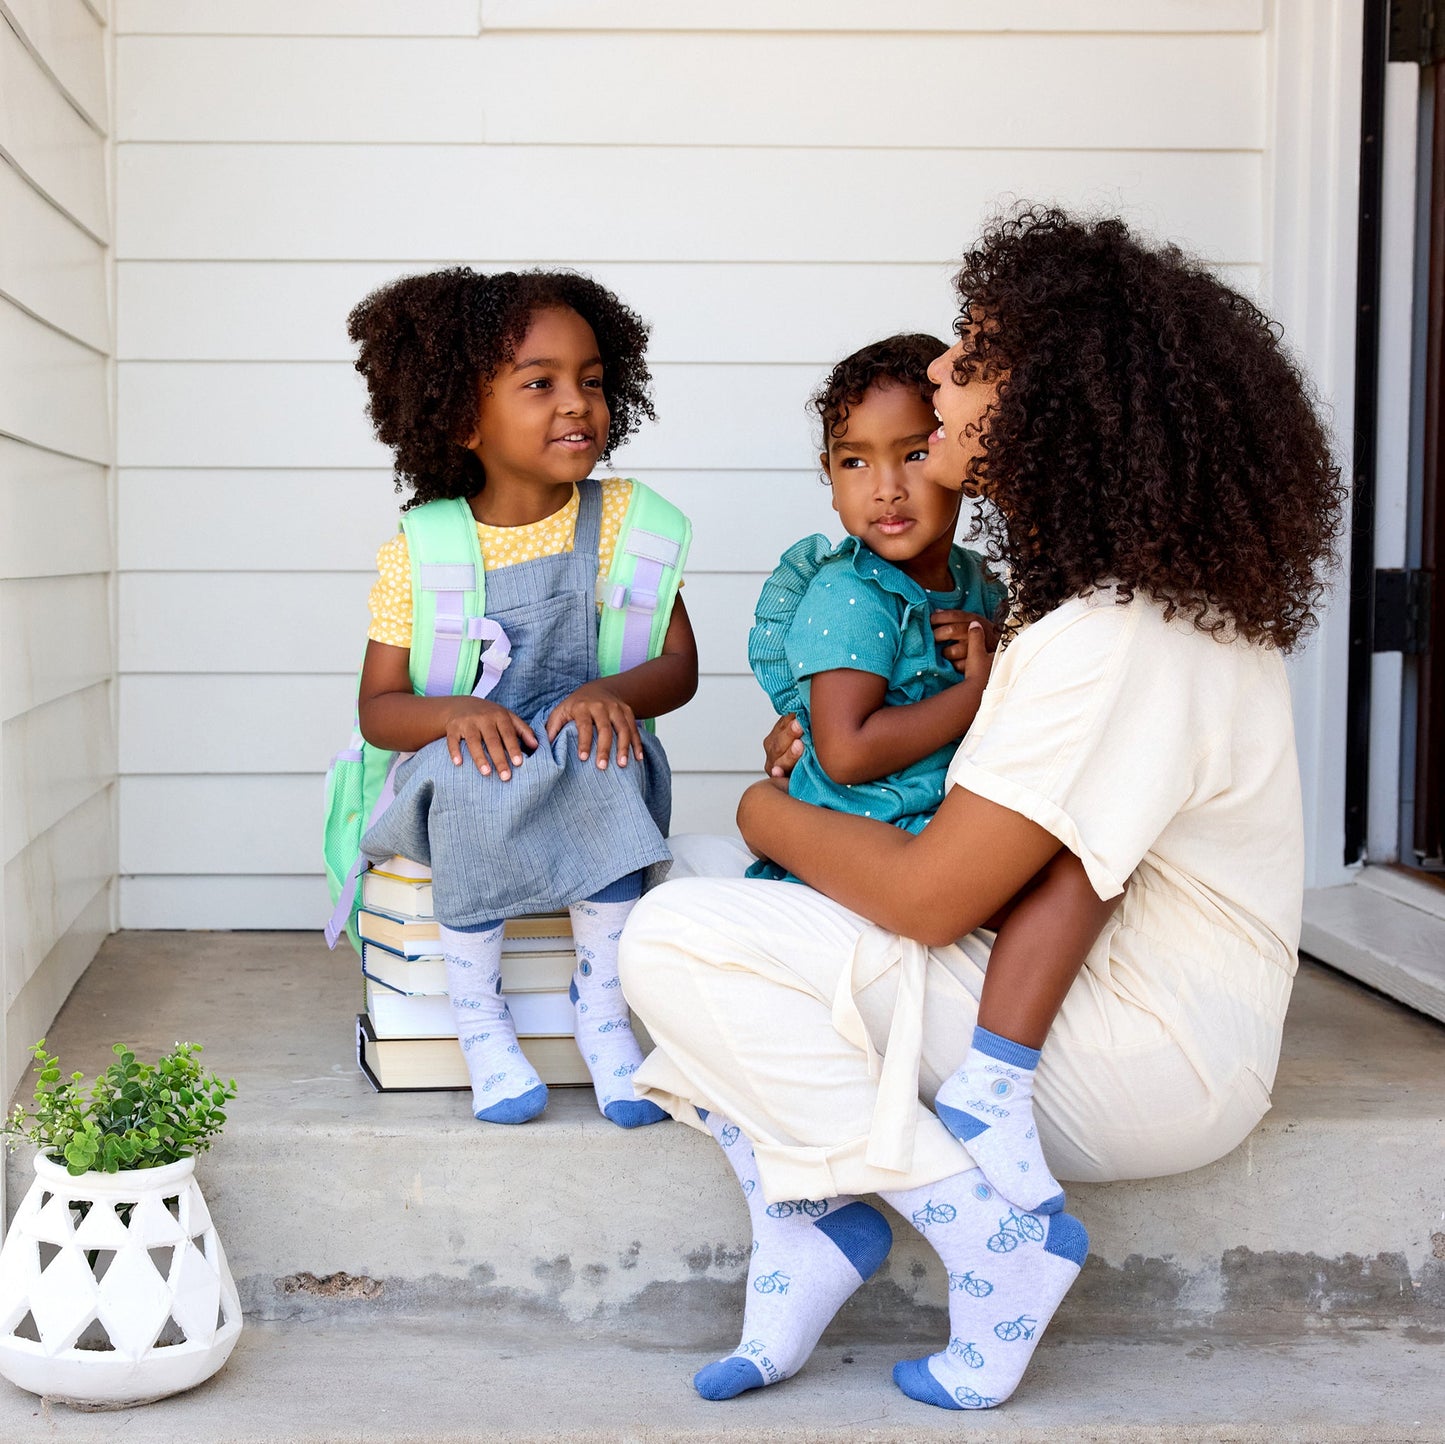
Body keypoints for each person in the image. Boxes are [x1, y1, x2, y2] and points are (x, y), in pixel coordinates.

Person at [619, 208, 1344, 1410]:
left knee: (672, 931)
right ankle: (804, 1212)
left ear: (1053, 395)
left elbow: (924, 896)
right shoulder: (1121, 602)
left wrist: (767, 809)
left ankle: (974, 1232)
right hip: (1081, 990)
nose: (941, 376)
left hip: (1134, 1051)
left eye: (971, 354)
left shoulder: (1119, 634)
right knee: (679, 871)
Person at [747, 335, 1119, 1214]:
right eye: (854, 461)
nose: (887, 486)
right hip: (868, 837)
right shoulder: (850, 594)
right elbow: (845, 751)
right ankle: (993, 1086)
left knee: (1090, 852)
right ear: (829, 479)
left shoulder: (973, 584)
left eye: (915, 451)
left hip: (937, 820)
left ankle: (992, 1083)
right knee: (1075, 868)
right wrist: (982, 691)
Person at [348, 268, 697, 1129]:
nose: (575, 403)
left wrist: (611, 693)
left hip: (583, 748)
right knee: (469, 781)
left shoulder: (630, 525)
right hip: (467, 760)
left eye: (590, 380)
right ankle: (480, 1024)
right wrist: (452, 715)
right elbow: (379, 709)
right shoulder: (423, 548)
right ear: (461, 418)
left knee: (607, 756)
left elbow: (680, 667)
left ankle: (602, 1015)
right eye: (539, 384)